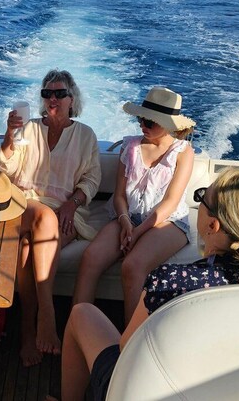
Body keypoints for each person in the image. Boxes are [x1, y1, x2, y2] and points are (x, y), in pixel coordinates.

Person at [60, 169, 239, 401]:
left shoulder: (169, 282)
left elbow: (127, 349)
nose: (199, 203)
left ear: (212, 226)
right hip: (238, 391)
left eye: (202, 198)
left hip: (151, 392)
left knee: (82, 313)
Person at [0, 70, 101, 366]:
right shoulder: (28, 128)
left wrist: (72, 204)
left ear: (72, 99)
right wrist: (9, 136)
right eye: (47, 94)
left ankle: (28, 331)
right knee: (43, 216)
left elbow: (92, 179)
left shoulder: (85, 135)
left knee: (27, 249)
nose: (52, 99)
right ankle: (48, 313)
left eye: (59, 93)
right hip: (24, 204)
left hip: (65, 210)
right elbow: (5, 168)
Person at [72, 86, 195, 326]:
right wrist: (125, 222)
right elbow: (119, 195)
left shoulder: (183, 152)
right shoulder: (129, 147)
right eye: (141, 119)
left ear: (168, 124)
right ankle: (77, 329)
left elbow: (170, 202)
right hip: (127, 216)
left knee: (132, 266)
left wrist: (137, 232)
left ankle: (131, 340)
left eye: (150, 121)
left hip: (168, 222)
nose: (142, 125)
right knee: (90, 258)